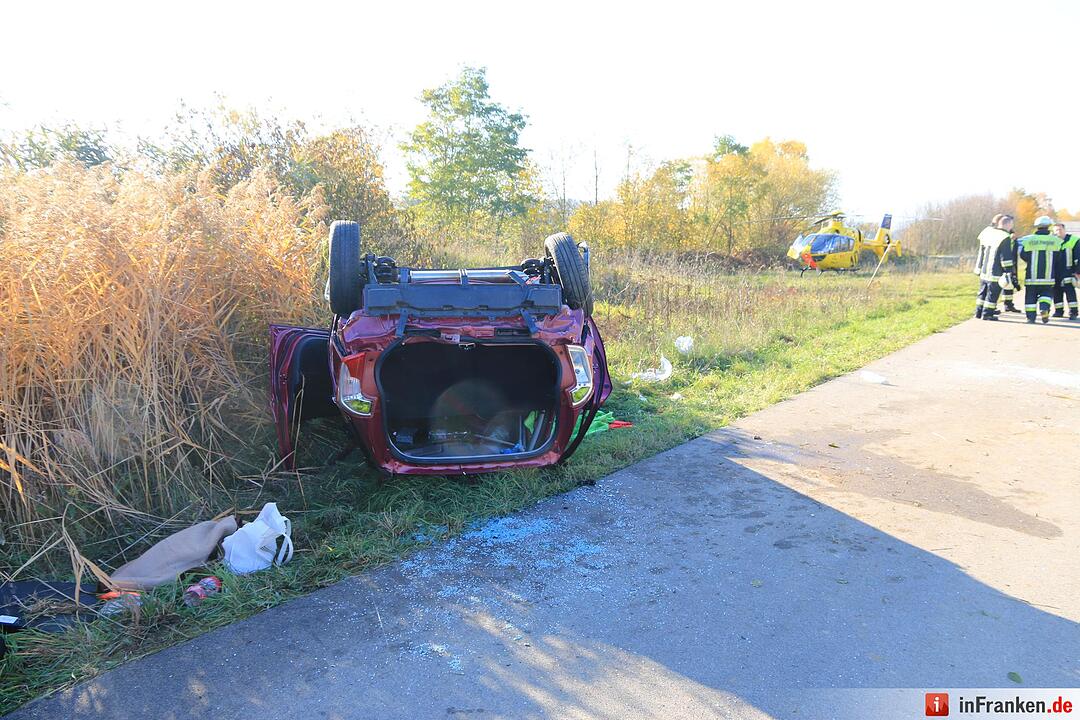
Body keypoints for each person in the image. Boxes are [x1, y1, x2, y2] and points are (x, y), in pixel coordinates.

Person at [1016, 215, 1059, 324]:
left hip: (1031, 276)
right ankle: (1044, 308)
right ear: (1048, 226)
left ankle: (1031, 318)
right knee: (1046, 294)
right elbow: (1058, 257)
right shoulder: (1055, 240)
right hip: (1048, 277)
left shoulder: (1029, 240)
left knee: (1030, 296)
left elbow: (1023, 255)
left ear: (1037, 226)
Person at [973, 213, 1017, 320]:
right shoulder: (1005, 237)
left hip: (984, 271)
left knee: (982, 293)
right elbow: (1005, 257)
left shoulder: (988, 233)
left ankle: (978, 312)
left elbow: (981, 252)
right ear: (1008, 224)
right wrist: (1009, 271)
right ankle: (987, 314)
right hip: (995, 272)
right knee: (992, 294)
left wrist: (978, 268)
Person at [1051, 223, 1079, 319]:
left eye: (1060, 229)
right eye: (1056, 230)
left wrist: (1077, 272)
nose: (1058, 232)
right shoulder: (1053, 242)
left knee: (1070, 292)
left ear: (1064, 229)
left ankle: (1073, 312)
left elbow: (1078, 257)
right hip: (1056, 272)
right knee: (1056, 292)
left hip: (1069, 271)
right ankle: (1058, 311)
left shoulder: (1074, 240)